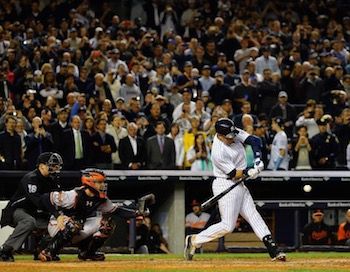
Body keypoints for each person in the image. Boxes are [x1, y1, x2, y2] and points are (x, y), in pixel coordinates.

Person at [184, 118, 286, 261]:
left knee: (253, 215)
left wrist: (257, 159)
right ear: (220, 136)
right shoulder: (218, 152)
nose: (233, 138)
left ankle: (273, 249)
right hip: (225, 184)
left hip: (239, 184)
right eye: (229, 137)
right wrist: (249, 171)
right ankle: (195, 240)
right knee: (228, 226)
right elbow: (233, 173)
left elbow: (255, 141)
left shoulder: (232, 132)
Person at [38, 168, 153, 261]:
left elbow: (116, 211)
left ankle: (88, 253)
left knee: (106, 224)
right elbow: (45, 198)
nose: (103, 185)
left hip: (77, 225)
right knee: (73, 225)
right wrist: (58, 216)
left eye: (103, 182)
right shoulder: (74, 195)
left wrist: (138, 213)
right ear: (90, 182)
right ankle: (49, 251)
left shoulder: (100, 199)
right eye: (99, 182)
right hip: (57, 225)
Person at [0, 152, 63, 262]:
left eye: (56, 166)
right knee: (29, 221)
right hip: (17, 210)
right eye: (52, 165)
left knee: (57, 225)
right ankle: (5, 251)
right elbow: (38, 201)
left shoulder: (52, 179)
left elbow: (57, 200)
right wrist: (56, 214)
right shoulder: (31, 178)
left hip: (36, 212)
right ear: (41, 166)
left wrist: (58, 216)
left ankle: (41, 251)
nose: (55, 168)